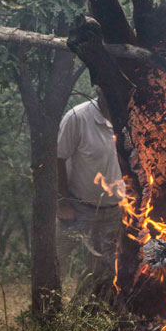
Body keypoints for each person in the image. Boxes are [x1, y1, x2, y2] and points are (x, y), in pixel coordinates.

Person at [56, 88, 122, 294]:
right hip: (78, 207)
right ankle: (48, 310)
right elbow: (58, 158)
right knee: (57, 257)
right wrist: (62, 202)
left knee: (101, 270)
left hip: (113, 211)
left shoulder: (126, 119)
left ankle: (82, 314)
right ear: (100, 91)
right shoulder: (77, 117)